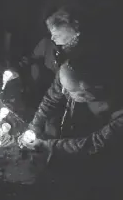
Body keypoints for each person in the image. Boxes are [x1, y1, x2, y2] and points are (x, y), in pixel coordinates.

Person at [20, 56, 123, 200]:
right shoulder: (71, 69)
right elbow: (51, 98)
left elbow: (93, 144)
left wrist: (48, 145)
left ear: (89, 93)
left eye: (69, 91)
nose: (62, 92)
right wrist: (34, 126)